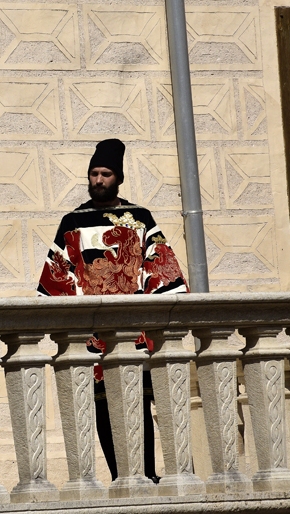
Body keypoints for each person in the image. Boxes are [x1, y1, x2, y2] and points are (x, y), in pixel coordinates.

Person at [36, 138, 187, 483]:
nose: (98, 180)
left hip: (137, 336)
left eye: (105, 174)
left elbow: (162, 271)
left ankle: (147, 476)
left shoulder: (140, 218)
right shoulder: (72, 222)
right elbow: (58, 277)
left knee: (139, 408)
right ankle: (121, 476)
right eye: (93, 174)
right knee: (103, 410)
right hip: (93, 341)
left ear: (118, 178)